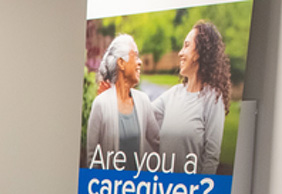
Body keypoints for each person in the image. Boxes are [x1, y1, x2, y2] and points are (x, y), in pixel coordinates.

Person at [153, 20, 231, 175]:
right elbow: (140, 113)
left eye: (187, 45)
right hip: (162, 190)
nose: (180, 52)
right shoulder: (173, 94)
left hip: (187, 193)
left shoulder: (212, 99)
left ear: (199, 53)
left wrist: (199, 193)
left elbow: (211, 158)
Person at [85, 34, 160, 170]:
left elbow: (160, 145)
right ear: (121, 63)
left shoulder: (143, 101)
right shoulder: (101, 104)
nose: (140, 62)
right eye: (135, 56)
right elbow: (92, 159)